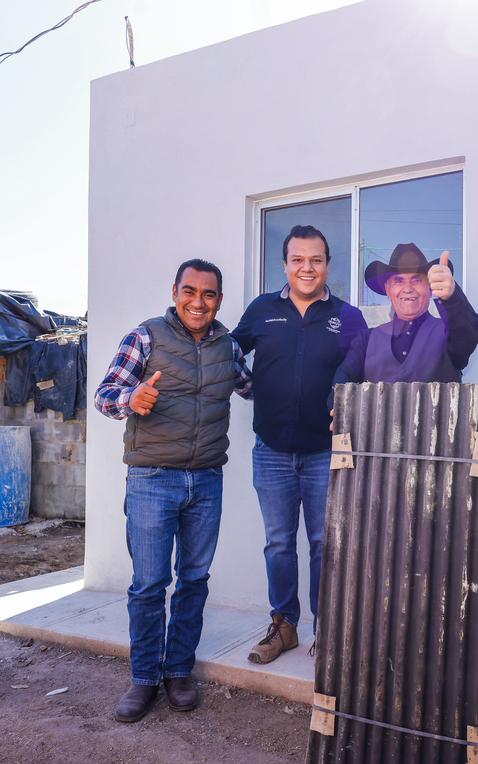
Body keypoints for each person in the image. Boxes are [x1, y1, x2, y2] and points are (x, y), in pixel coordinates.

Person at [93, 258, 250, 722]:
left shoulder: (228, 346)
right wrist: (131, 398)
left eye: (208, 294)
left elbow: (253, 387)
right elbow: (104, 394)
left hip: (206, 480)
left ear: (219, 300)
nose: (198, 302)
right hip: (152, 480)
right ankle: (143, 678)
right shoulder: (144, 337)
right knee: (149, 585)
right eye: (190, 291)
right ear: (175, 292)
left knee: (194, 580)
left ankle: (178, 670)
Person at [232, 225, 368, 663]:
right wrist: (250, 388)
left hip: (325, 452)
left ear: (327, 264)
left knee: (325, 543)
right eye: (297, 260)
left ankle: (326, 630)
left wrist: (344, 398)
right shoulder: (262, 309)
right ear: (285, 264)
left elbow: (361, 369)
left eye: (315, 260)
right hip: (271, 450)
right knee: (278, 542)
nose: (306, 268)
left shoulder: (348, 317)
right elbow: (226, 353)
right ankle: (284, 625)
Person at [339, 242, 478, 382]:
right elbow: (342, 384)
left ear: (430, 288)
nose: (407, 289)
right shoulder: (365, 340)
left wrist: (452, 296)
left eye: (416, 280)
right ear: (388, 289)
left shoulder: (450, 333)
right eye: (398, 281)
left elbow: (469, 334)